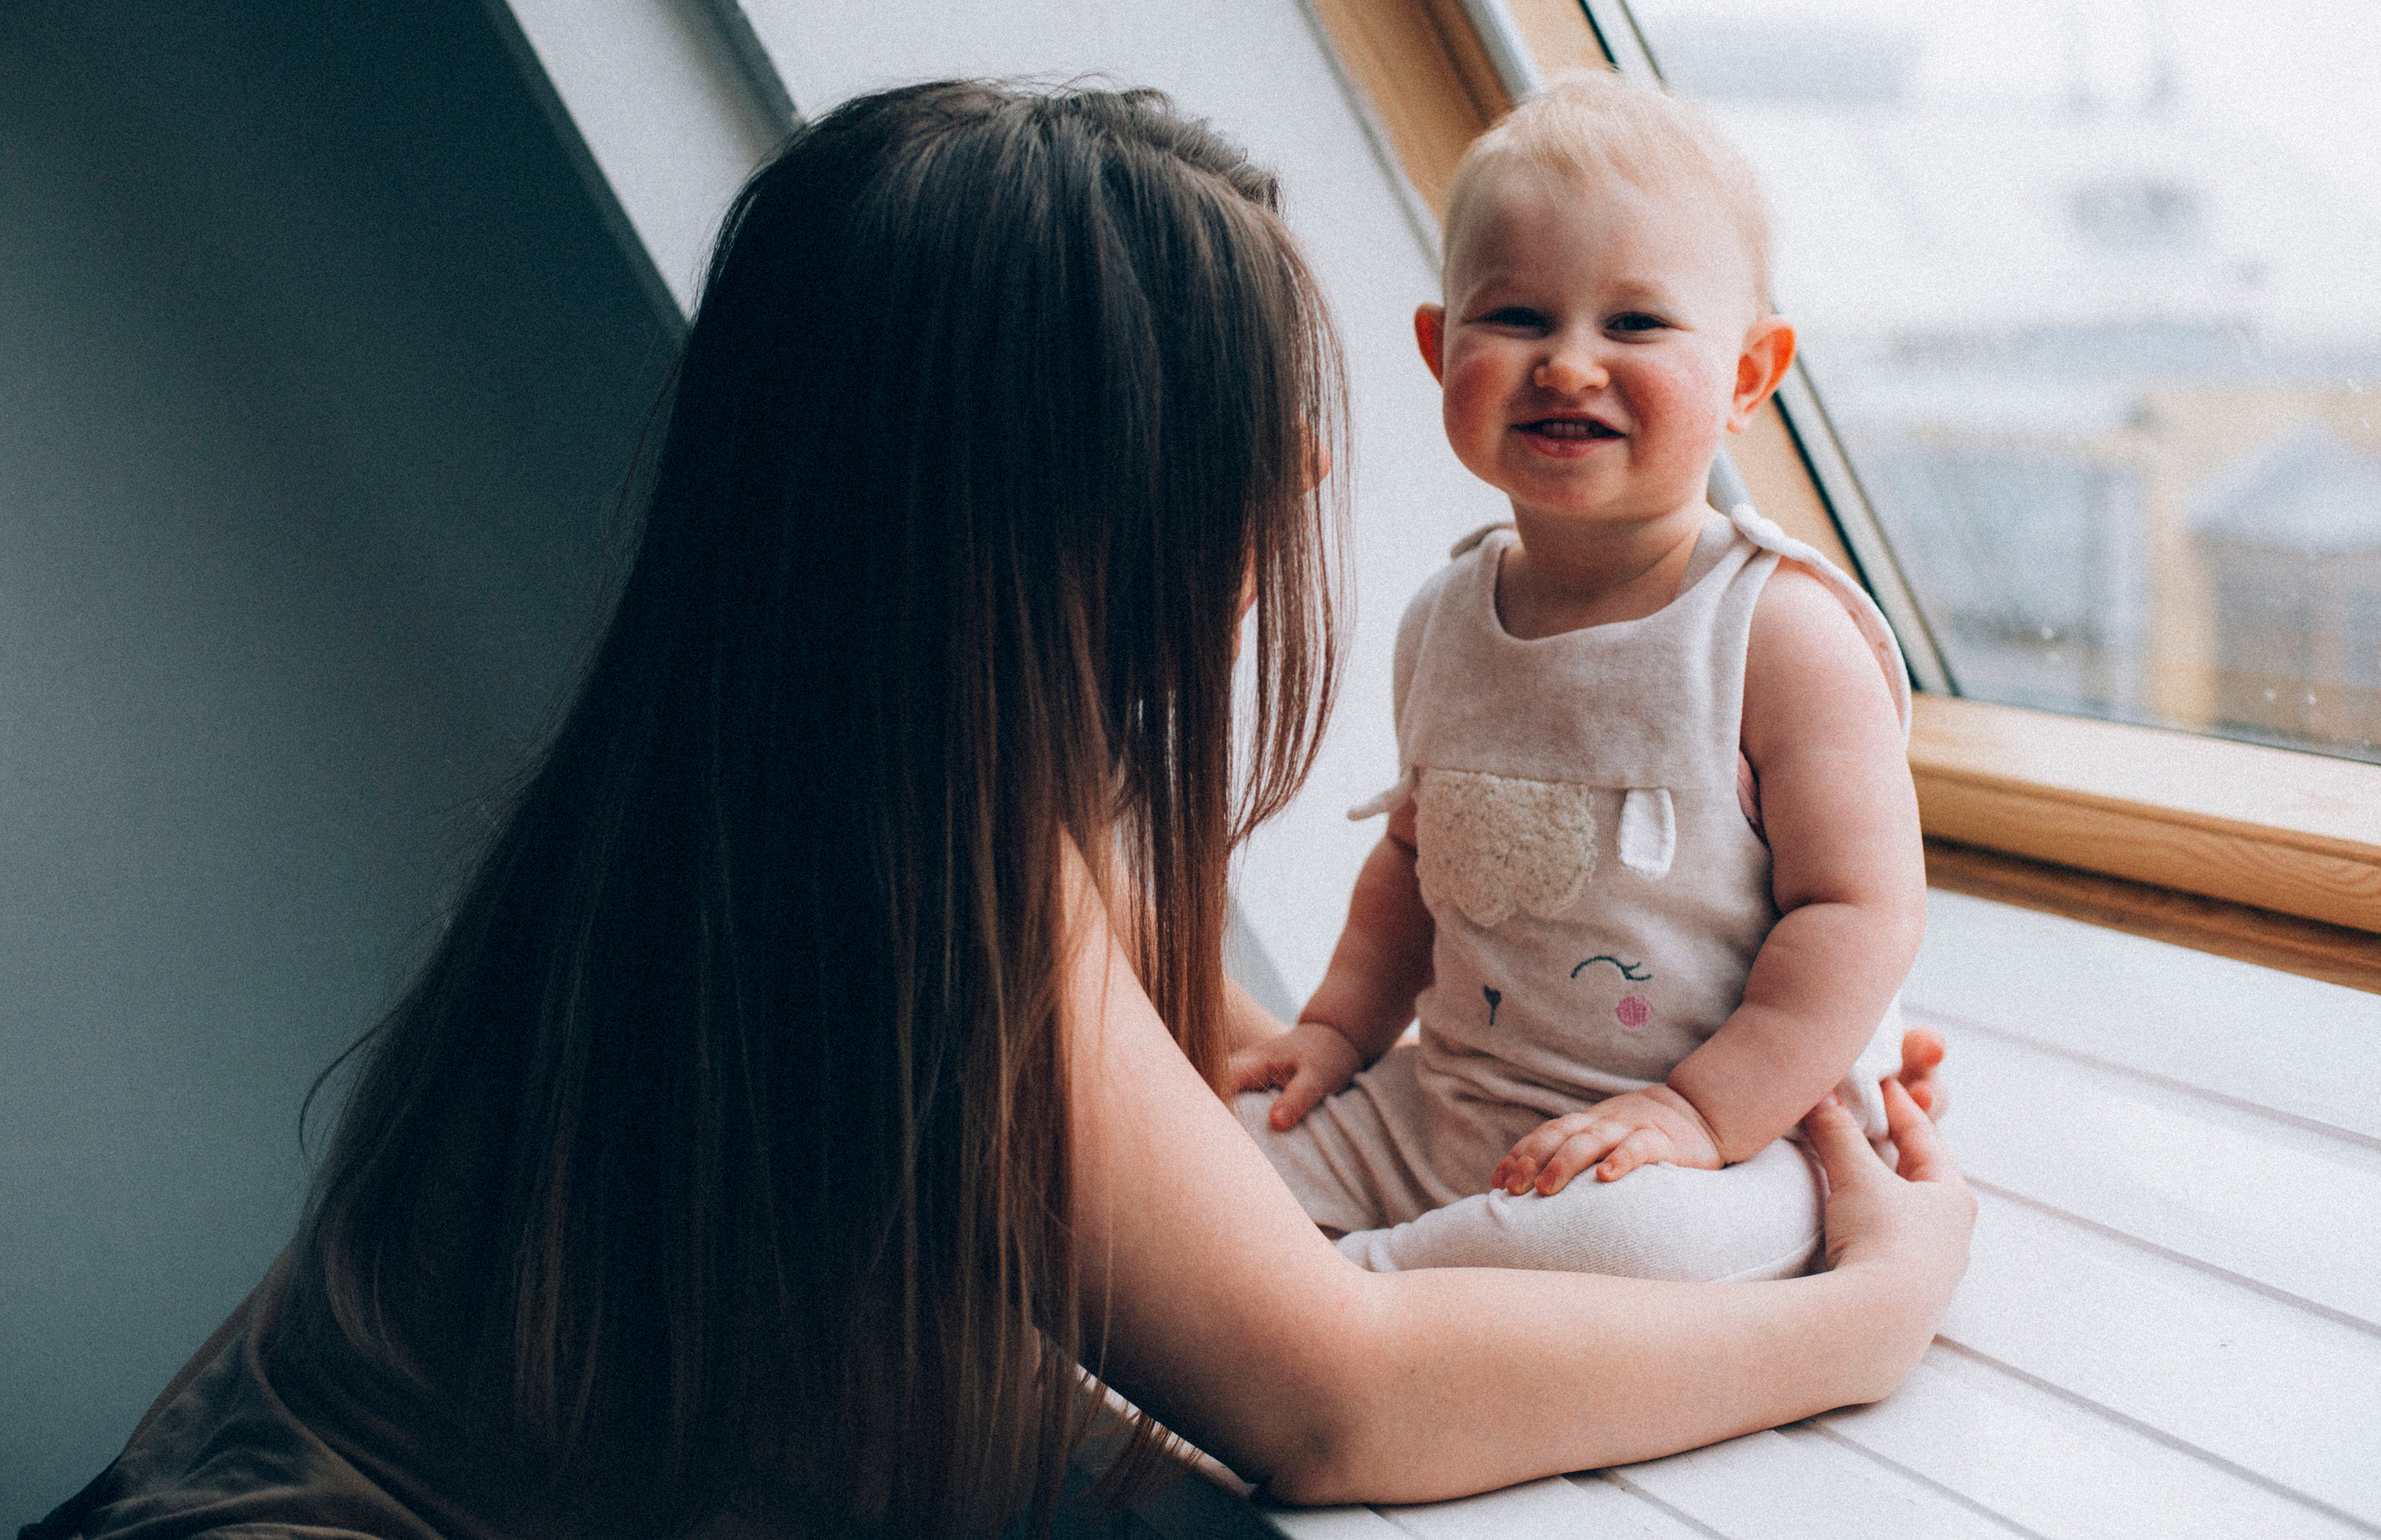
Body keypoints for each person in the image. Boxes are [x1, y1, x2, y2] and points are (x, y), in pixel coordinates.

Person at [25, 80, 1970, 1540]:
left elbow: (1124, 1102)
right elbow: (1337, 1396)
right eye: (1240, 428)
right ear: (1080, 495)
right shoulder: (913, 861)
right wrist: (1866, 1308)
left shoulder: (782, 756)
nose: (1297, 471)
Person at [1231, 69, 1930, 1283]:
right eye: (1517, 319)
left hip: (1711, 1143)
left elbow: (1859, 914)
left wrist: (1701, 1116)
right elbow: (1414, 862)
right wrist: (1336, 1031)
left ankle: (1360, 1308)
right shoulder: (1444, 617)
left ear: (1753, 376)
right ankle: (1350, 1288)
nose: (1567, 364)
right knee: (1218, 1169)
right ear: (1439, 349)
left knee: (1637, 1238)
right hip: (1448, 1103)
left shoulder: (1779, 630)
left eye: (1636, 325)